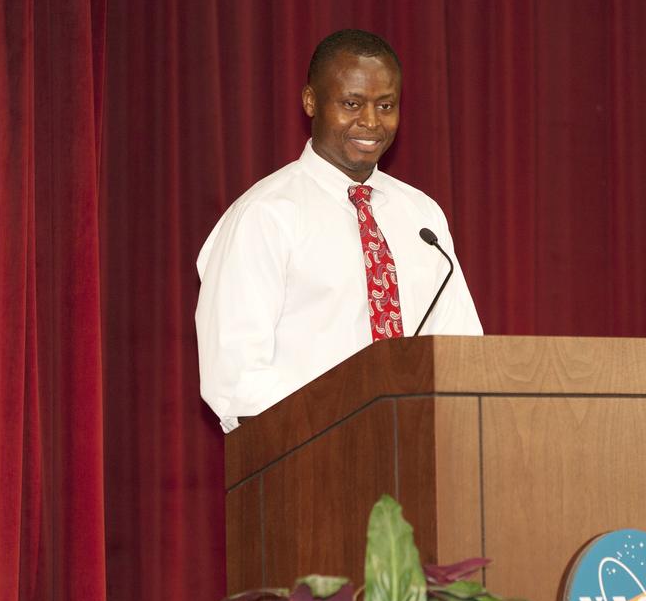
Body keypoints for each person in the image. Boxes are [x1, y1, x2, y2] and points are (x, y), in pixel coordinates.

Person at [195, 29, 483, 432]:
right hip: (308, 464)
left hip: (418, 457)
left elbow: (461, 351)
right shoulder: (265, 215)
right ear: (311, 101)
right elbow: (236, 377)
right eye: (352, 103)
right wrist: (347, 423)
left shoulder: (422, 216)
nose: (370, 122)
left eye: (386, 105)